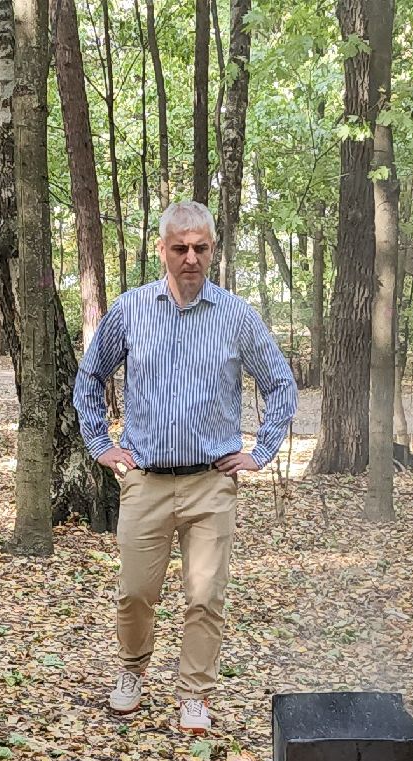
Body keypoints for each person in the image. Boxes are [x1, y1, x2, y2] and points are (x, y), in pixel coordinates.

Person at [73, 200, 297, 733]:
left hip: (210, 483)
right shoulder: (131, 310)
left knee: (205, 596)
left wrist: (260, 452)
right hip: (145, 481)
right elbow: (90, 377)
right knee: (135, 592)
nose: (190, 258)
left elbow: (281, 385)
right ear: (162, 251)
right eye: (180, 248)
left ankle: (195, 694)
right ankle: (131, 671)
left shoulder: (237, 316)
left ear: (213, 250)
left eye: (200, 248)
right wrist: (101, 445)